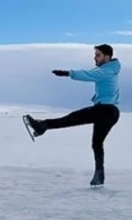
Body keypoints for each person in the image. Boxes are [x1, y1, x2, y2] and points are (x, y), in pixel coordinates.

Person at [24, 44, 121, 186]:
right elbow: (93, 73)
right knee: (96, 143)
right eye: (95, 54)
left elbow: (90, 75)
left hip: (106, 110)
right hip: (109, 112)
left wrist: (68, 73)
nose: (95, 57)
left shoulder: (107, 71)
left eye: (98, 55)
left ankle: (42, 125)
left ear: (107, 57)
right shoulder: (108, 69)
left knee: (72, 118)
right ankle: (99, 175)